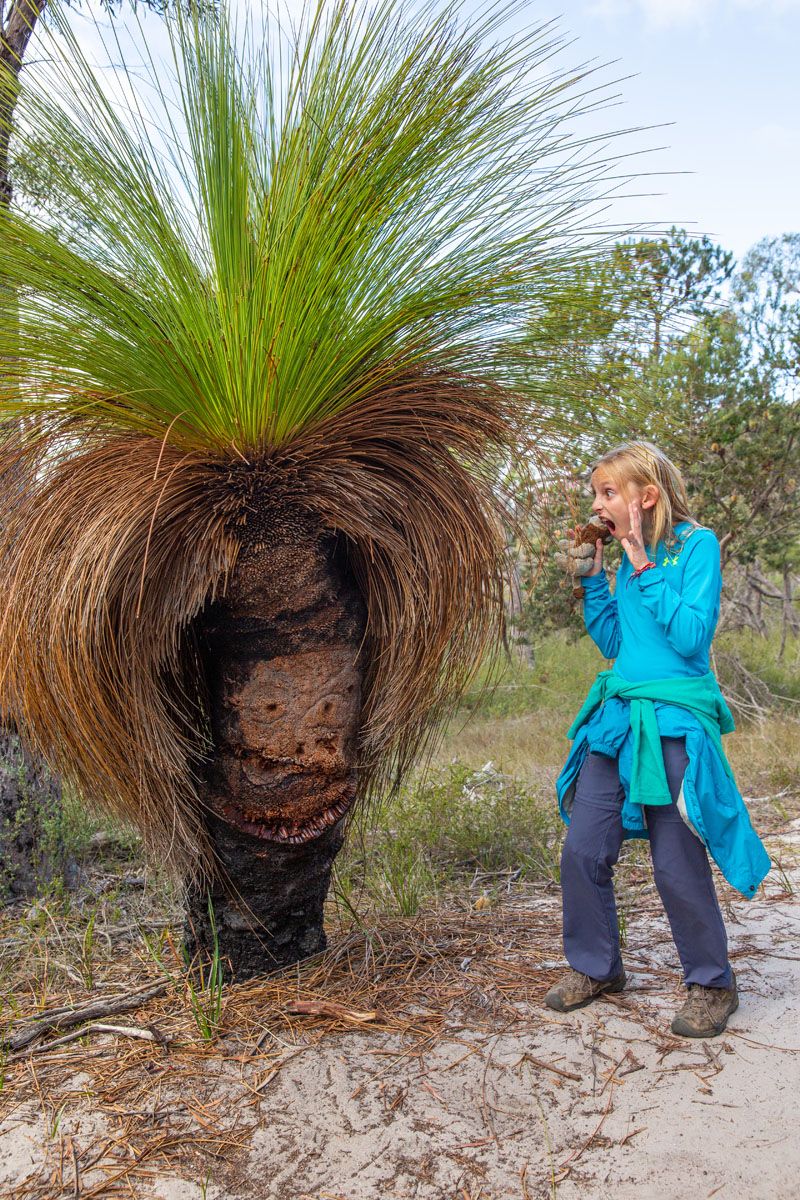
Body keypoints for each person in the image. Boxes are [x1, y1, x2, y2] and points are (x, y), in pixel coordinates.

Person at [548, 441, 770, 1038]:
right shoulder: (621, 559)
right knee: (584, 849)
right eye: (595, 493)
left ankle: (710, 984)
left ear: (645, 497)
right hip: (617, 717)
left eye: (608, 492)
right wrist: (597, 580)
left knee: (676, 860)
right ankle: (596, 968)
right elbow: (617, 642)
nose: (597, 503)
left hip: (673, 718)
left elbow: (692, 638)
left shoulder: (696, 546)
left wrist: (642, 562)